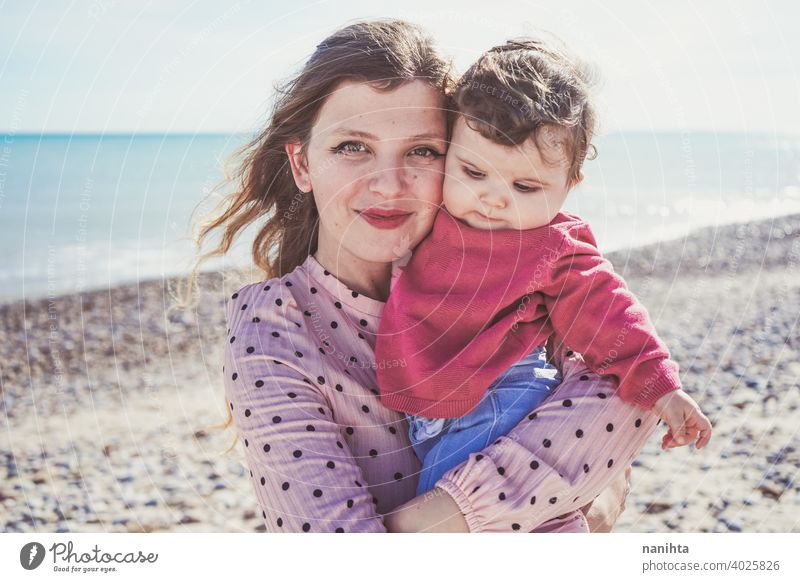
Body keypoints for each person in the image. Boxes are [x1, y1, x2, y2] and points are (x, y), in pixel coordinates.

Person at [190, 19, 659, 533]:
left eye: (422, 151)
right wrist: (546, 494)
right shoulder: (273, 330)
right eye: (352, 147)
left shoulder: (518, 270)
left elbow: (631, 393)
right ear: (302, 165)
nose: (390, 185)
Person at [376, 38, 713, 496]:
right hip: (427, 404)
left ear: (569, 185)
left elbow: (610, 314)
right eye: (473, 173)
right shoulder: (432, 212)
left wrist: (663, 389)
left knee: (439, 517)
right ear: (447, 150)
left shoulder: (551, 246)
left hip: (501, 396)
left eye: (526, 186)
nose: (493, 198)